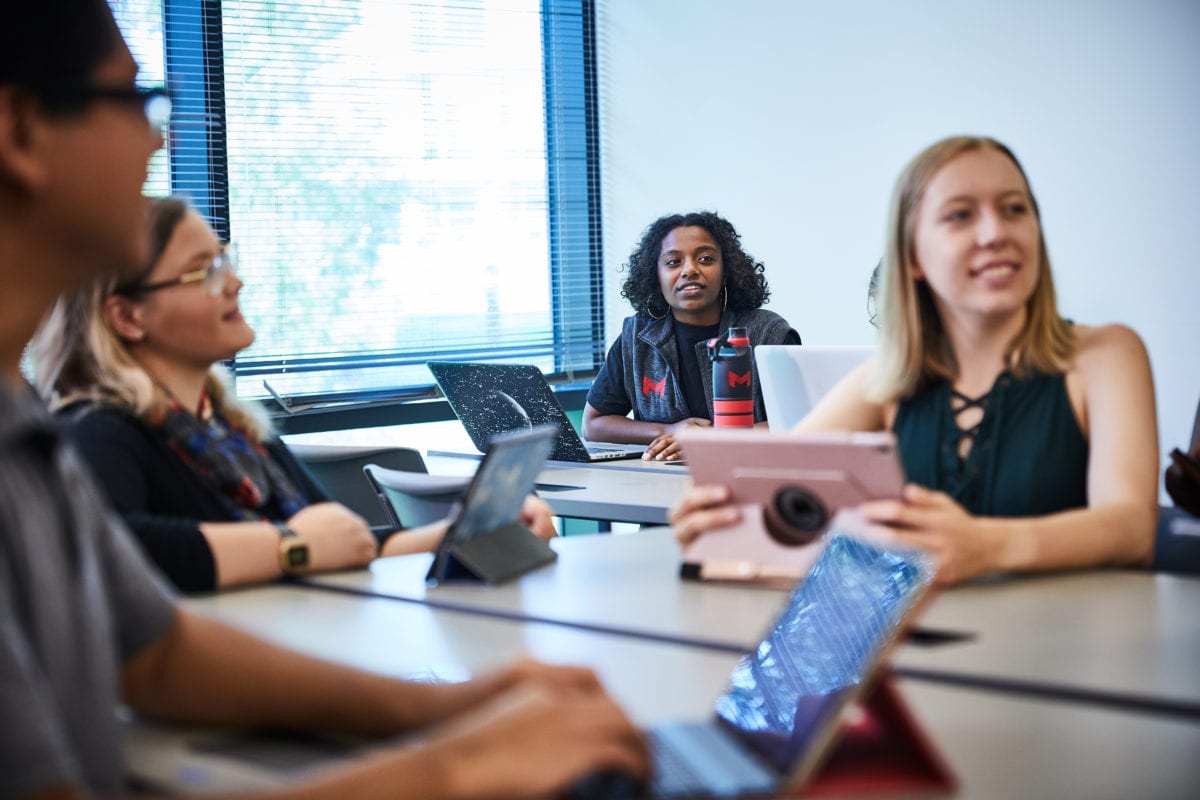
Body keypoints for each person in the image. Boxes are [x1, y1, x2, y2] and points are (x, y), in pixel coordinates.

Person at [0, 3, 646, 797]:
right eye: (134, 101)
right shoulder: (87, 432)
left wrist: (456, 708)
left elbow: (159, 654)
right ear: (23, 129)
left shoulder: (22, 420)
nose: (159, 139)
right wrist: (462, 766)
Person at [671, 136, 1158, 585]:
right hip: (930, 653)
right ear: (913, 258)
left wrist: (986, 545)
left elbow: (1132, 528)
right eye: (960, 215)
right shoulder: (886, 381)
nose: (995, 232)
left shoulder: (1106, 355)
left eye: (1015, 209)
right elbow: (761, 496)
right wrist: (716, 519)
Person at [32, 196, 556, 592]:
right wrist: (292, 548)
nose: (233, 283)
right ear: (127, 316)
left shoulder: (233, 429)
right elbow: (118, 553)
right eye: (204, 272)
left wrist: (468, 530)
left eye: (225, 260)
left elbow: (343, 540)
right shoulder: (98, 429)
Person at [583, 211, 800, 461]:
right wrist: (670, 431)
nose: (690, 270)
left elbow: (802, 423)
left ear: (726, 271)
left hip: (754, 474)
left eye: (706, 259)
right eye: (673, 262)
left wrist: (711, 441)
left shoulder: (769, 333)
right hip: (656, 481)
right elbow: (593, 424)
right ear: (656, 276)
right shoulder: (636, 337)